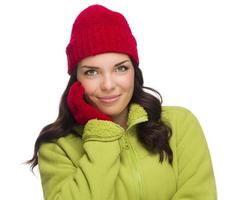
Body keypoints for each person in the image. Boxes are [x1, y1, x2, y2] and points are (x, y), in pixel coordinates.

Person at [27, 4, 217, 200]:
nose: (108, 85)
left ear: (134, 71)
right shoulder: (57, 148)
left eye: (120, 68)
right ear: (77, 80)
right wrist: (101, 132)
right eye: (92, 72)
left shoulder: (179, 124)